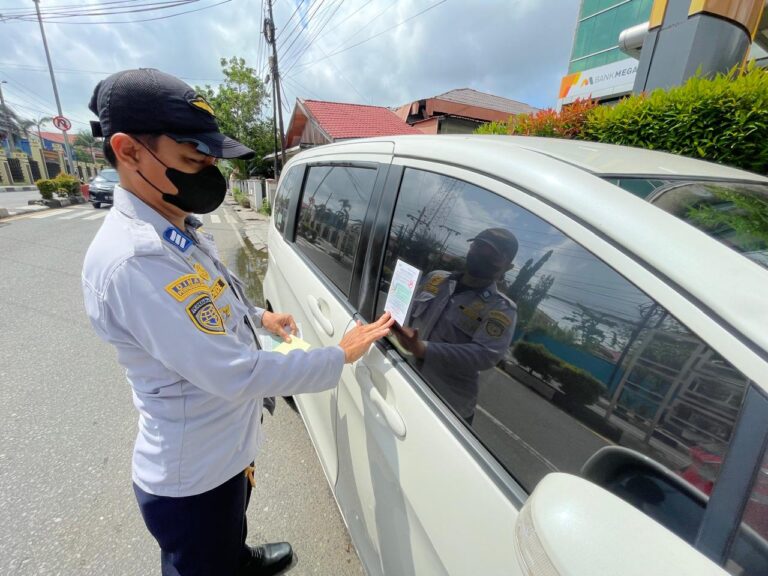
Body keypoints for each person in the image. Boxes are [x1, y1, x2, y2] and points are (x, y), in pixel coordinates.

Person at [81, 68, 393, 576]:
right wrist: (341, 355)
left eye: (209, 160)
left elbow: (209, 302)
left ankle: (237, 559)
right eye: (191, 159)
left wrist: (259, 315)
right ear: (130, 151)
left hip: (222, 449)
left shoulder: (173, 224)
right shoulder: (136, 259)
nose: (207, 174)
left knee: (229, 530)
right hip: (194, 474)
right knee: (203, 556)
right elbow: (235, 373)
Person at [392, 228, 518, 424]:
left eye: (492, 254)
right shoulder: (436, 278)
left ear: (507, 267)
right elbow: (406, 313)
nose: (482, 255)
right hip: (404, 376)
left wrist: (423, 348)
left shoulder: (501, 308)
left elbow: (485, 354)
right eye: (479, 246)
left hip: (445, 407)